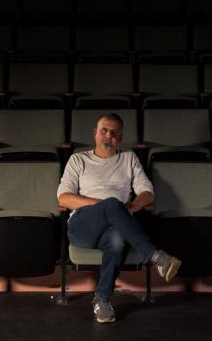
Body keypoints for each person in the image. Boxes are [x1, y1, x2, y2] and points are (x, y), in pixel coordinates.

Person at [57, 113, 182, 323]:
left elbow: (147, 193)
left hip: (115, 225)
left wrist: (131, 207)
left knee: (117, 240)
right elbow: (64, 197)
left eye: (114, 133)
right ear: (95, 134)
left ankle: (102, 300)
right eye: (104, 131)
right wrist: (106, 206)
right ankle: (155, 256)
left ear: (120, 137)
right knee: (113, 203)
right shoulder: (78, 159)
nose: (108, 136)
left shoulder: (129, 158)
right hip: (82, 225)